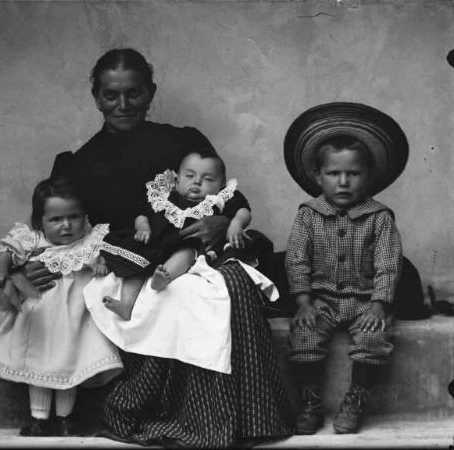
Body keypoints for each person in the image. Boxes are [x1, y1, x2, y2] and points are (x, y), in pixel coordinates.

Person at [21, 48, 295, 447]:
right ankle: (187, 418)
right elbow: (55, 226)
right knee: (168, 294)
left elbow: (227, 197)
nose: (122, 104)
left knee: (230, 282)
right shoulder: (77, 165)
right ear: (96, 96)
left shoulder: (182, 142)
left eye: (133, 93)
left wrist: (220, 224)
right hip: (129, 259)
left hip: (194, 250)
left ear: (150, 93)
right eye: (111, 95)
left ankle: (249, 418)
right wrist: (34, 261)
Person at [285, 134, 404, 435]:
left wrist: (379, 305)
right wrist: (303, 302)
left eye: (353, 174)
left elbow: (388, 264)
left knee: (373, 339)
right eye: (333, 173)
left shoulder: (379, 218)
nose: (343, 182)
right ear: (318, 176)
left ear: (368, 177)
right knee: (304, 334)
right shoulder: (308, 216)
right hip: (321, 299)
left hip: (365, 300)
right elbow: (297, 259)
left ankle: (356, 398)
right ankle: (310, 399)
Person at [0, 177, 123, 437]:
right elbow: (6, 250)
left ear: (84, 217)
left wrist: (99, 265)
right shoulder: (33, 240)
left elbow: (99, 259)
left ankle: (65, 419)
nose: (66, 226)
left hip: (74, 316)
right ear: (40, 221)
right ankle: (39, 419)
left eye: (74, 217)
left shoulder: (87, 241)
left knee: (68, 363)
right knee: (39, 364)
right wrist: (1, 273)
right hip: (41, 315)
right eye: (56, 220)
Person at [101, 148, 252, 320]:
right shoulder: (165, 196)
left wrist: (236, 223)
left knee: (185, 254)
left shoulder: (219, 199)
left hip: (186, 243)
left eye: (208, 179)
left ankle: (164, 276)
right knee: (135, 267)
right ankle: (126, 304)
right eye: (189, 176)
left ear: (221, 185)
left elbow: (243, 210)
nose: (196, 182)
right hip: (155, 242)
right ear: (177, 179)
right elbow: (142, 213)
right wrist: (143, 227)